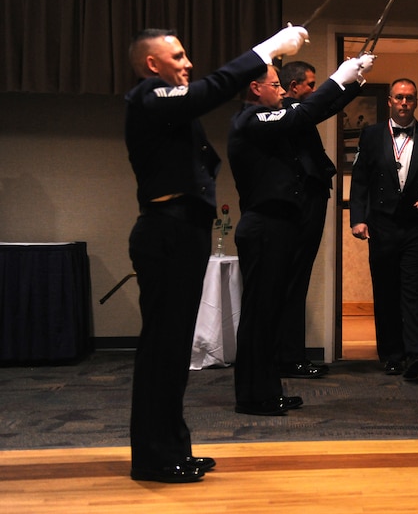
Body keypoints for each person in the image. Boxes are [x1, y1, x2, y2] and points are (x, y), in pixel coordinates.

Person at [124, 24, 307, 482]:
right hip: (167, 230)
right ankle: (155, 458)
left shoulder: (168, 105)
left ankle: (172, 448)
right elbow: (209, 91)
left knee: (172, 348)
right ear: (152, 64)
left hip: (182, 230)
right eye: (178, 57)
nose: (188, 63)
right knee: (163, 349)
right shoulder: (148, 95)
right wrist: (265, 51)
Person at [228, 55, 374, 416]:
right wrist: (338, 79)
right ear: (255, 88)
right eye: (275, 85)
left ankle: (266, 389)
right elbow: (302, 113)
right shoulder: (251, 119)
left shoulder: (266, 120)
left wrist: (349, 82)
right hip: (263, 225)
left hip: (276, 225)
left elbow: (306, 114)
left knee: (269, 311)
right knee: (259, 314)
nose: (282, 91)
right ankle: (253, 395)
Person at [349, 78, 418, 379]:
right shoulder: (371, 135)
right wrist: (358, 218)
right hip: (382, 225)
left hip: (417, 226)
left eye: (410, 98)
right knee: (386, 291)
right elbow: (360, 181)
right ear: (390, 101)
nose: (404, 103)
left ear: (416, 102)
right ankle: (392, 355)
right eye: (399, 97)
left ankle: (416, 352)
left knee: (414, 289)